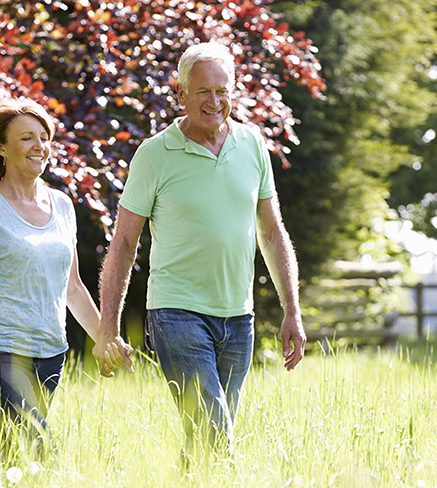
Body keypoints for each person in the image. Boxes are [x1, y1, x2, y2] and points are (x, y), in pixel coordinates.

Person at [93, 42, 306, 456]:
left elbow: (273, 231)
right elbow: (123, 243)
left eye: (223, 91)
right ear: (180, 95)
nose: (215, 101)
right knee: (213, 427)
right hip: (176, 312)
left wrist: (291, 310)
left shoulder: (252, 145)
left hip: (238, 317)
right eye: (204, 91)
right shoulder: (154, 155)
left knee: (207, 432)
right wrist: (109, 328)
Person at [0, 97, 130, 448]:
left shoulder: (63, 206)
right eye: (26, 138)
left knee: (17, 450)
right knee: (38, 440)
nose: (39, 147)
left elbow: (73, 288)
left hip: (50, 351)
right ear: (1, 148)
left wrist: (106, 338)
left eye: (43, 137)